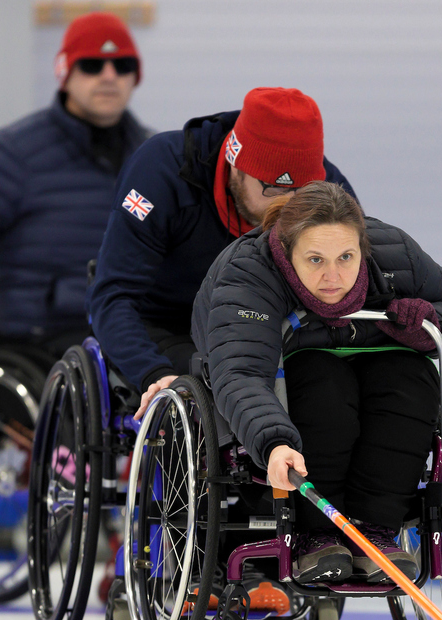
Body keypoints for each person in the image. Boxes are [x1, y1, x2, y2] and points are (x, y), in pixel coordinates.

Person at [191, 182, 442, 584]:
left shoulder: (395, 250)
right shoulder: (248, 272)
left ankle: (376, 530)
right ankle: (318, 533)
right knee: (324, 384)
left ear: (364, 247)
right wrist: (272, 441)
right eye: (315, 260)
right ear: (288, 254)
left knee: (412, 378)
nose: (333, 276)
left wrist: (428, 320)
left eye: (346, 257)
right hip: (294, 373)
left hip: (378, 361)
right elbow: (239, 371)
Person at [0, 12, 150, 418]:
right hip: (45, 347)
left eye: (123, 65)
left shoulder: (154, 157)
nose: (109, 75)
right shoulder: (13, 155)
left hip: (130, 338)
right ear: (65, 72)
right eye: (92, 65)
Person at [92, 87, 355, 408]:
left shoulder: (328, 191)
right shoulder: (160, 172)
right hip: (168, 324)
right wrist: (152, 371)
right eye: (273, 188)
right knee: (217, 386)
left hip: (269, 327)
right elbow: (113, 295)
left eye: (301, 190)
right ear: (235, 163)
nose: (287, 205)